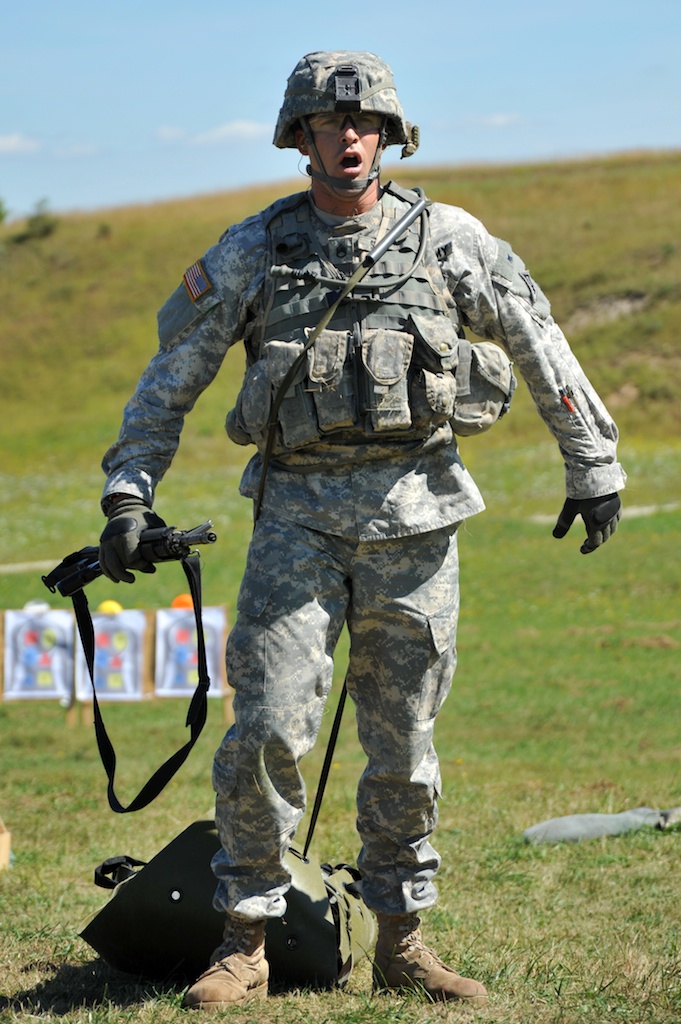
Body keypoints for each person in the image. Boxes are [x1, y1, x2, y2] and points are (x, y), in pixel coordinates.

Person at [97, 51, 625, 1010]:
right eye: (325, 125)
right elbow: (171, 374)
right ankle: (246, 942)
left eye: (363, 123)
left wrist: (592, 461)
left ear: (388, 134)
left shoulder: (449, 238)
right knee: (263, 730)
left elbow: (535, 336)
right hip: (294, 523)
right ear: (297, 138)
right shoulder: (256, 248)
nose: (346, 139)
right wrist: (128, 493)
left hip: (417, 526)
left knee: (407, 746)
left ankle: (404, 943)